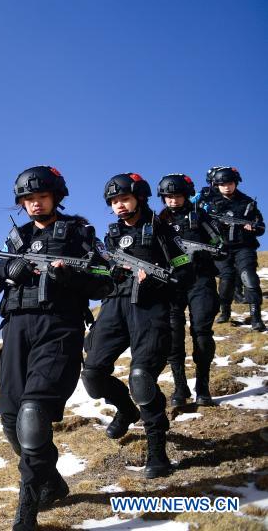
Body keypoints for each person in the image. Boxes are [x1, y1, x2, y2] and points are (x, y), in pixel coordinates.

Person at [0, 166, 112, 531]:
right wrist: (7, 273)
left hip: (59, 327)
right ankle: (50, 481)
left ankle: (27, 510)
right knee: (10, 417)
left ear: (56, 197)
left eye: (40, 197)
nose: (34, 205)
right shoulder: (16, 238)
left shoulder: (78, 233)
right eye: (27, 200)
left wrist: (71, 276)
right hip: (16, 330)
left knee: (32, 413)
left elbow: (107, 278)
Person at [81, 173, 193, 479]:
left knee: (141, 379)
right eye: (114, 202)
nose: (119, 206)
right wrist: (107, 274)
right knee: (92, 376)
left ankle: (157, 452)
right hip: (114, 307)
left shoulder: (162, 230)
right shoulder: (111, 235)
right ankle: (127, 410)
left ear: (139, 198)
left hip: (151, 309)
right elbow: (102, 272)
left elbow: (185, 269)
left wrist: (157, 277)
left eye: (124, 199)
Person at [156, 173, 224, 406]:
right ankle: (180, 387)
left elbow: (220, 242)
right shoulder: (158, 221)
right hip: (172, 284)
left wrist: (210, 251)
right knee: (173, 338)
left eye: (177, 196)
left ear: (186, 196)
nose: (173, 201)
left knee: (202, 334)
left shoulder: (199, 216)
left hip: (200, 280)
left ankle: (202, 387)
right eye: (168, 197)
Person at [197, 167, 265, 332]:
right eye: (222, 184)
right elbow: (199, 224)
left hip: (244, 247)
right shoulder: (208, 203)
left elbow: (261, 226)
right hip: (221, 248)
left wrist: (252, 227)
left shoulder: (247, 203)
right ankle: (225, 311)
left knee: (248, 277)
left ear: (235, 183)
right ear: (216, 185)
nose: (226, 187)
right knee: (226, 279)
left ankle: (256, 318)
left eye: (229, 183)